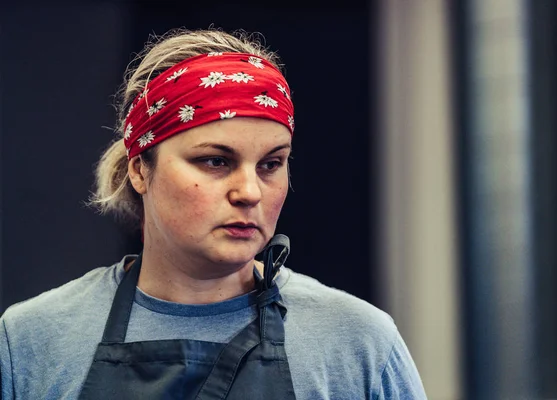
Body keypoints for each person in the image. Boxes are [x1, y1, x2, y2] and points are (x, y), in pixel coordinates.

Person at [0, 29, 427, 399]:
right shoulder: (32, 342)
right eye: (215, 161)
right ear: (139, 170)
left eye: (271, 164)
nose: (250, 192)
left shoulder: (358, 342)